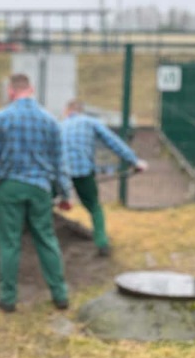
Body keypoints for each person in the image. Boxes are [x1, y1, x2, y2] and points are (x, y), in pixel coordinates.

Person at [0, 73, 72, 313]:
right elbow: (60, 162)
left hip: (9, 188)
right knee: (46, 239)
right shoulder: (50, 121)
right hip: (40, 189)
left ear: (10, 91)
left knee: (9, 243)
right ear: (32, 89)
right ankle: (60, 295)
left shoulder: (0, 119)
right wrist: (65, 194)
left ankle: (8, 299)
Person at [61, 99, 148, 257]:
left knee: (45, 205)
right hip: (83, 171)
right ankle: (102, 243)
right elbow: (113, 142)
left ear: (67, 112)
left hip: (60, 173)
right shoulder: (90, 122)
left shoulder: (59, 126)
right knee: (94, 207)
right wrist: (134, 162)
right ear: (82, 110)